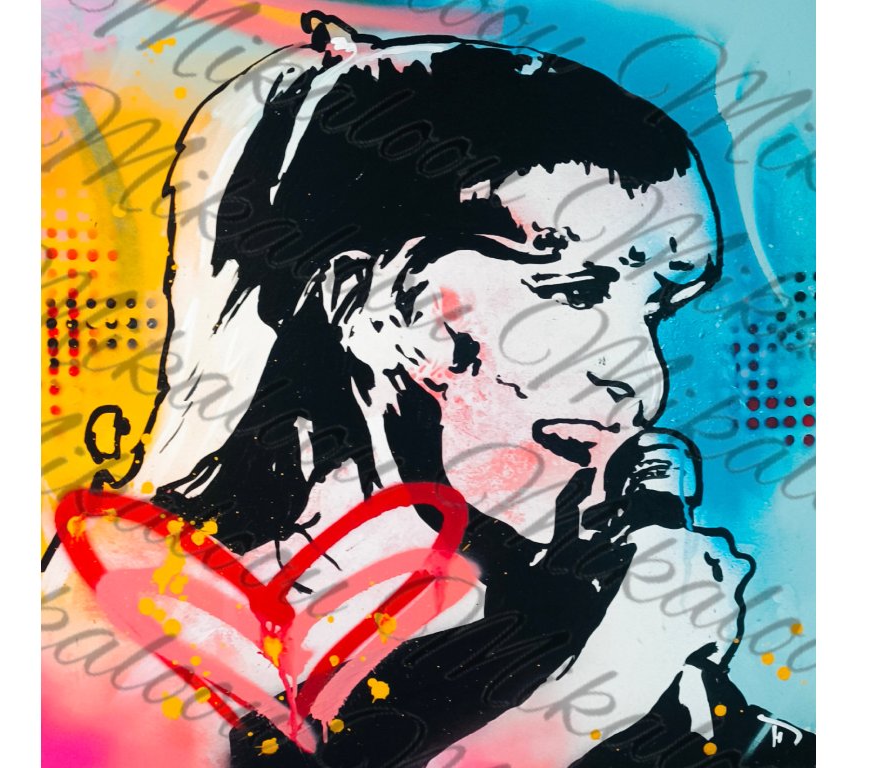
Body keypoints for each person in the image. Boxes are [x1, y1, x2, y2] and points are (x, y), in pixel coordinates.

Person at [93, 11, 814, 767]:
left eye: (656, 309)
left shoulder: (539, 616)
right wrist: (608, 681)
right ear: (376, 306)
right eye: (576, 291)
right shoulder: (116, 613)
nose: (642, 382)